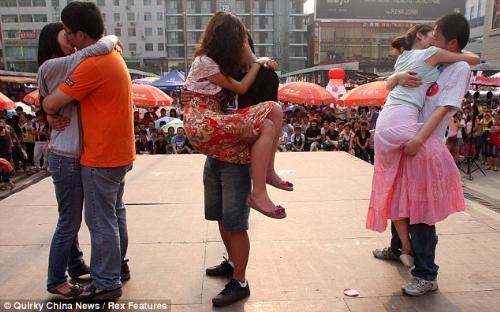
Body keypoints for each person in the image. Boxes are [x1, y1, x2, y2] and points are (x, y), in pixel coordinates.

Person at [371, 14, 479, 296]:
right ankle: (398, 248)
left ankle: (426, 274)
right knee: (398, 194)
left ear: (451, 42)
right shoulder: (434, 59)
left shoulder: (458, 68)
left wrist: (419, 139)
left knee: (421, 212)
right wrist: (395, 77)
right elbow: (392, 84)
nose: (431, 37)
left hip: (424, 140)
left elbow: (445, 107)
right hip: (412, 133)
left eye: (436, 34)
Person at [42, 1, 135, 300]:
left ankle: (106, 282)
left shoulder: (91, 64)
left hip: (101, 156)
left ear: (81, 36)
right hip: (118, 153)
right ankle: (116, 268)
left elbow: (52, 102)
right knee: (114, 215)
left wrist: (47, 108)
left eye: (69, 33)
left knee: (100, 221)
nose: (68, 38)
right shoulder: (111, 56)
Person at [182, 11, 291, 219]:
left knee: (271, 118)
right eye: (240, 40)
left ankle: (265, 178)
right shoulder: (206, 62)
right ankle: (261, 188)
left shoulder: (216, 65)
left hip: (206, 124)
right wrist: (259, 61)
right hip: (202, 123)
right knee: (272, 112)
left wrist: (257, 60)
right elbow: (241, 88)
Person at [203, 34, 281, 307]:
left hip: (237, 159)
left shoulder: (266, 77)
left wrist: (252, 140)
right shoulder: (222, 73)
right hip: (215, 155)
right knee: (219, 216)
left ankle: (240, 281)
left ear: (247, 43)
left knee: (236, 222)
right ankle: (233, 261)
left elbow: (268, 121)